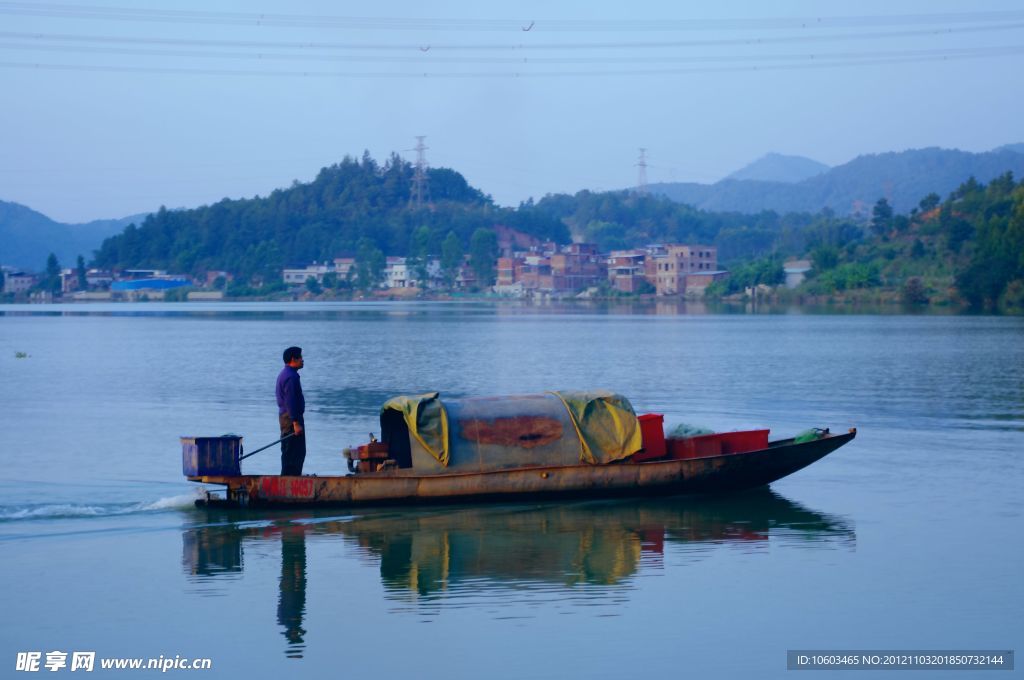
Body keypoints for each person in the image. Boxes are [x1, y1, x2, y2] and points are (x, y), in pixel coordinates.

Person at [276, 346, 306, 476]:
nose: (302, 360)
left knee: (291, 452)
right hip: (291, 419)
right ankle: (289, 483)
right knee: (294, 453)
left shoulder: (286, 374)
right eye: (300, 357)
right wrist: (295, 423)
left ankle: (289, 481)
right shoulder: (291, 377)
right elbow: (291, 401)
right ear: (293, 359)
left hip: (286, 418)